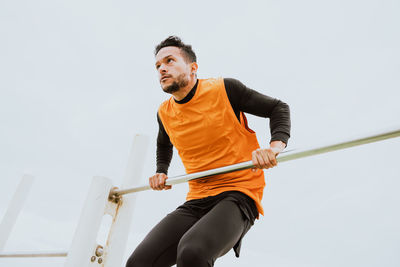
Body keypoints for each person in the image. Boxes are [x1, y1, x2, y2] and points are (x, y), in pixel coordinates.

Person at [126, 36, 291, 267]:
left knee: (192, 251)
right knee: (139, 263)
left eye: (169, 61)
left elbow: (278, 108)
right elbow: (164, 143)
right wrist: (160, 171)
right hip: (197, 198)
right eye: (157, 66)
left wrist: (274, 148)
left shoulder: (225, 89)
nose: (162, 68)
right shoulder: (164, 112)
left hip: (239, 192)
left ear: (193, 68)